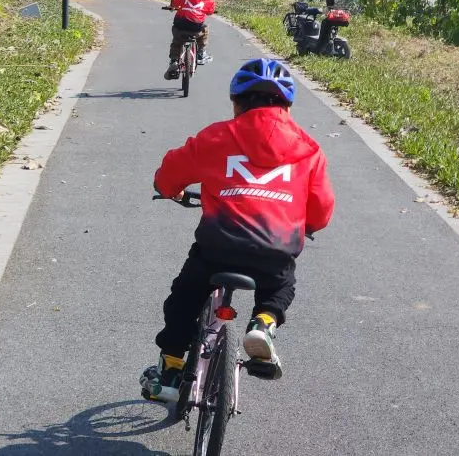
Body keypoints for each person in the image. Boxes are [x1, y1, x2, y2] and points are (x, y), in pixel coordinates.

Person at [140, 58, 335, 403]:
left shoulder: (216, 136)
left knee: (185, 296)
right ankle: (263, 323)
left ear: (237, 103)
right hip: (275, 249)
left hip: (219, 247)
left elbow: (170, 173)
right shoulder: (309, 149)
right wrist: (307, 224)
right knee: (280, 285)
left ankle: (170, 367)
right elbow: (320, 210)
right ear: (287, 106)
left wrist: (168, 188)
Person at [164, 0, 216, 80]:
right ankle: (201, 53)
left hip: (180, 26)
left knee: (176, 43)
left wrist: (171, 7)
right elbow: (210, 12)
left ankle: (174, 61)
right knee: (205, 30)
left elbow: (174, 3)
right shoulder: (209, 0)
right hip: (196, 28)